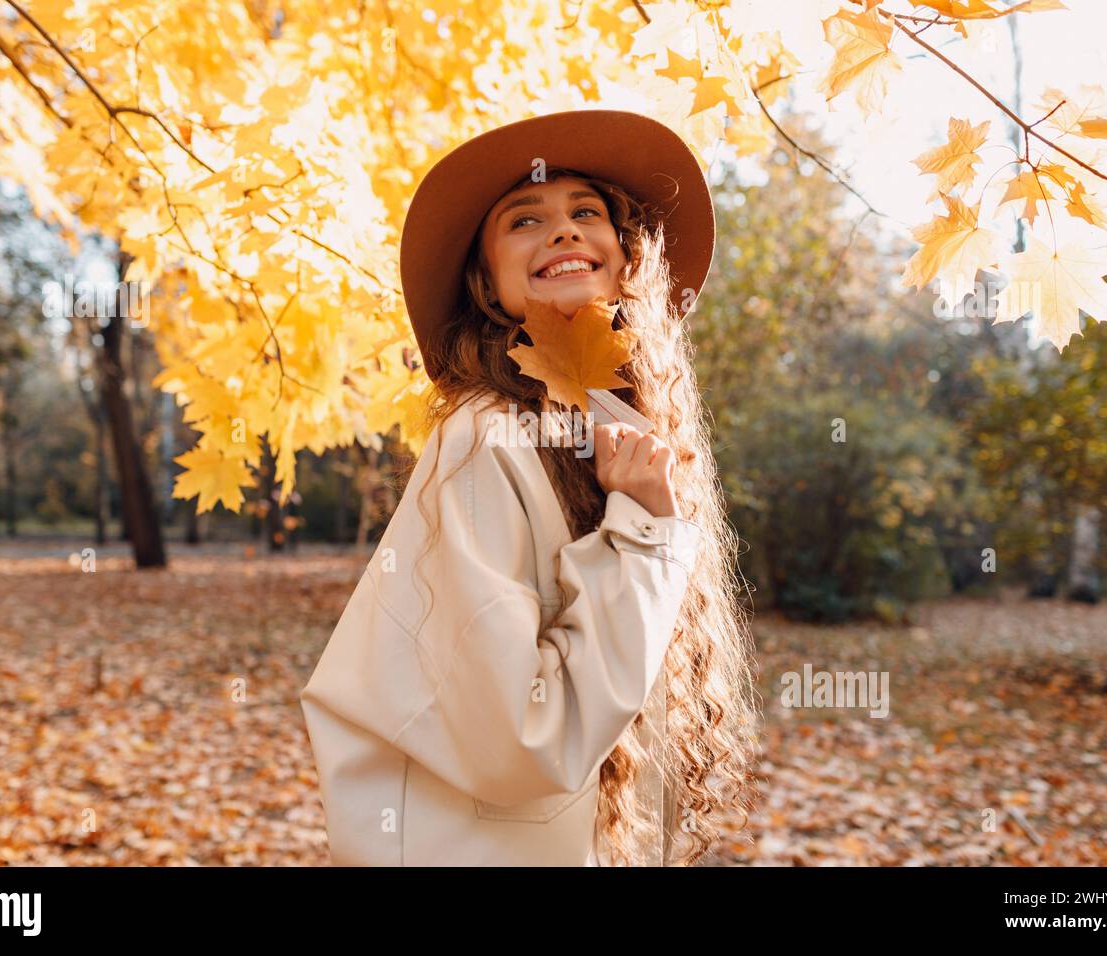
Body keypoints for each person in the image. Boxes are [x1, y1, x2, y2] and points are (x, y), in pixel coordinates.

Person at [299, 109, 761, 866]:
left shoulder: (619, 433)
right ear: (485, 282)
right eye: (526, 219)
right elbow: (525, 737)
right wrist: (642, 534)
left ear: (625, 257)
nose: (566, 230)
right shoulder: (486, 440)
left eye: (588, 212)